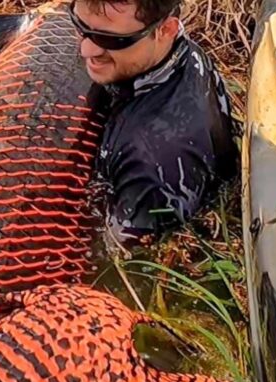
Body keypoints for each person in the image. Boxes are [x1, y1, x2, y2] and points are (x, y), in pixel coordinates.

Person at [68, 0, 238, 246]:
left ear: (166, 29)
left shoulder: (152, 168)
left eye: (112, 40)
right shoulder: (170, 53)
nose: (87, 50)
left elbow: (125, 259)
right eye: (80, 25)